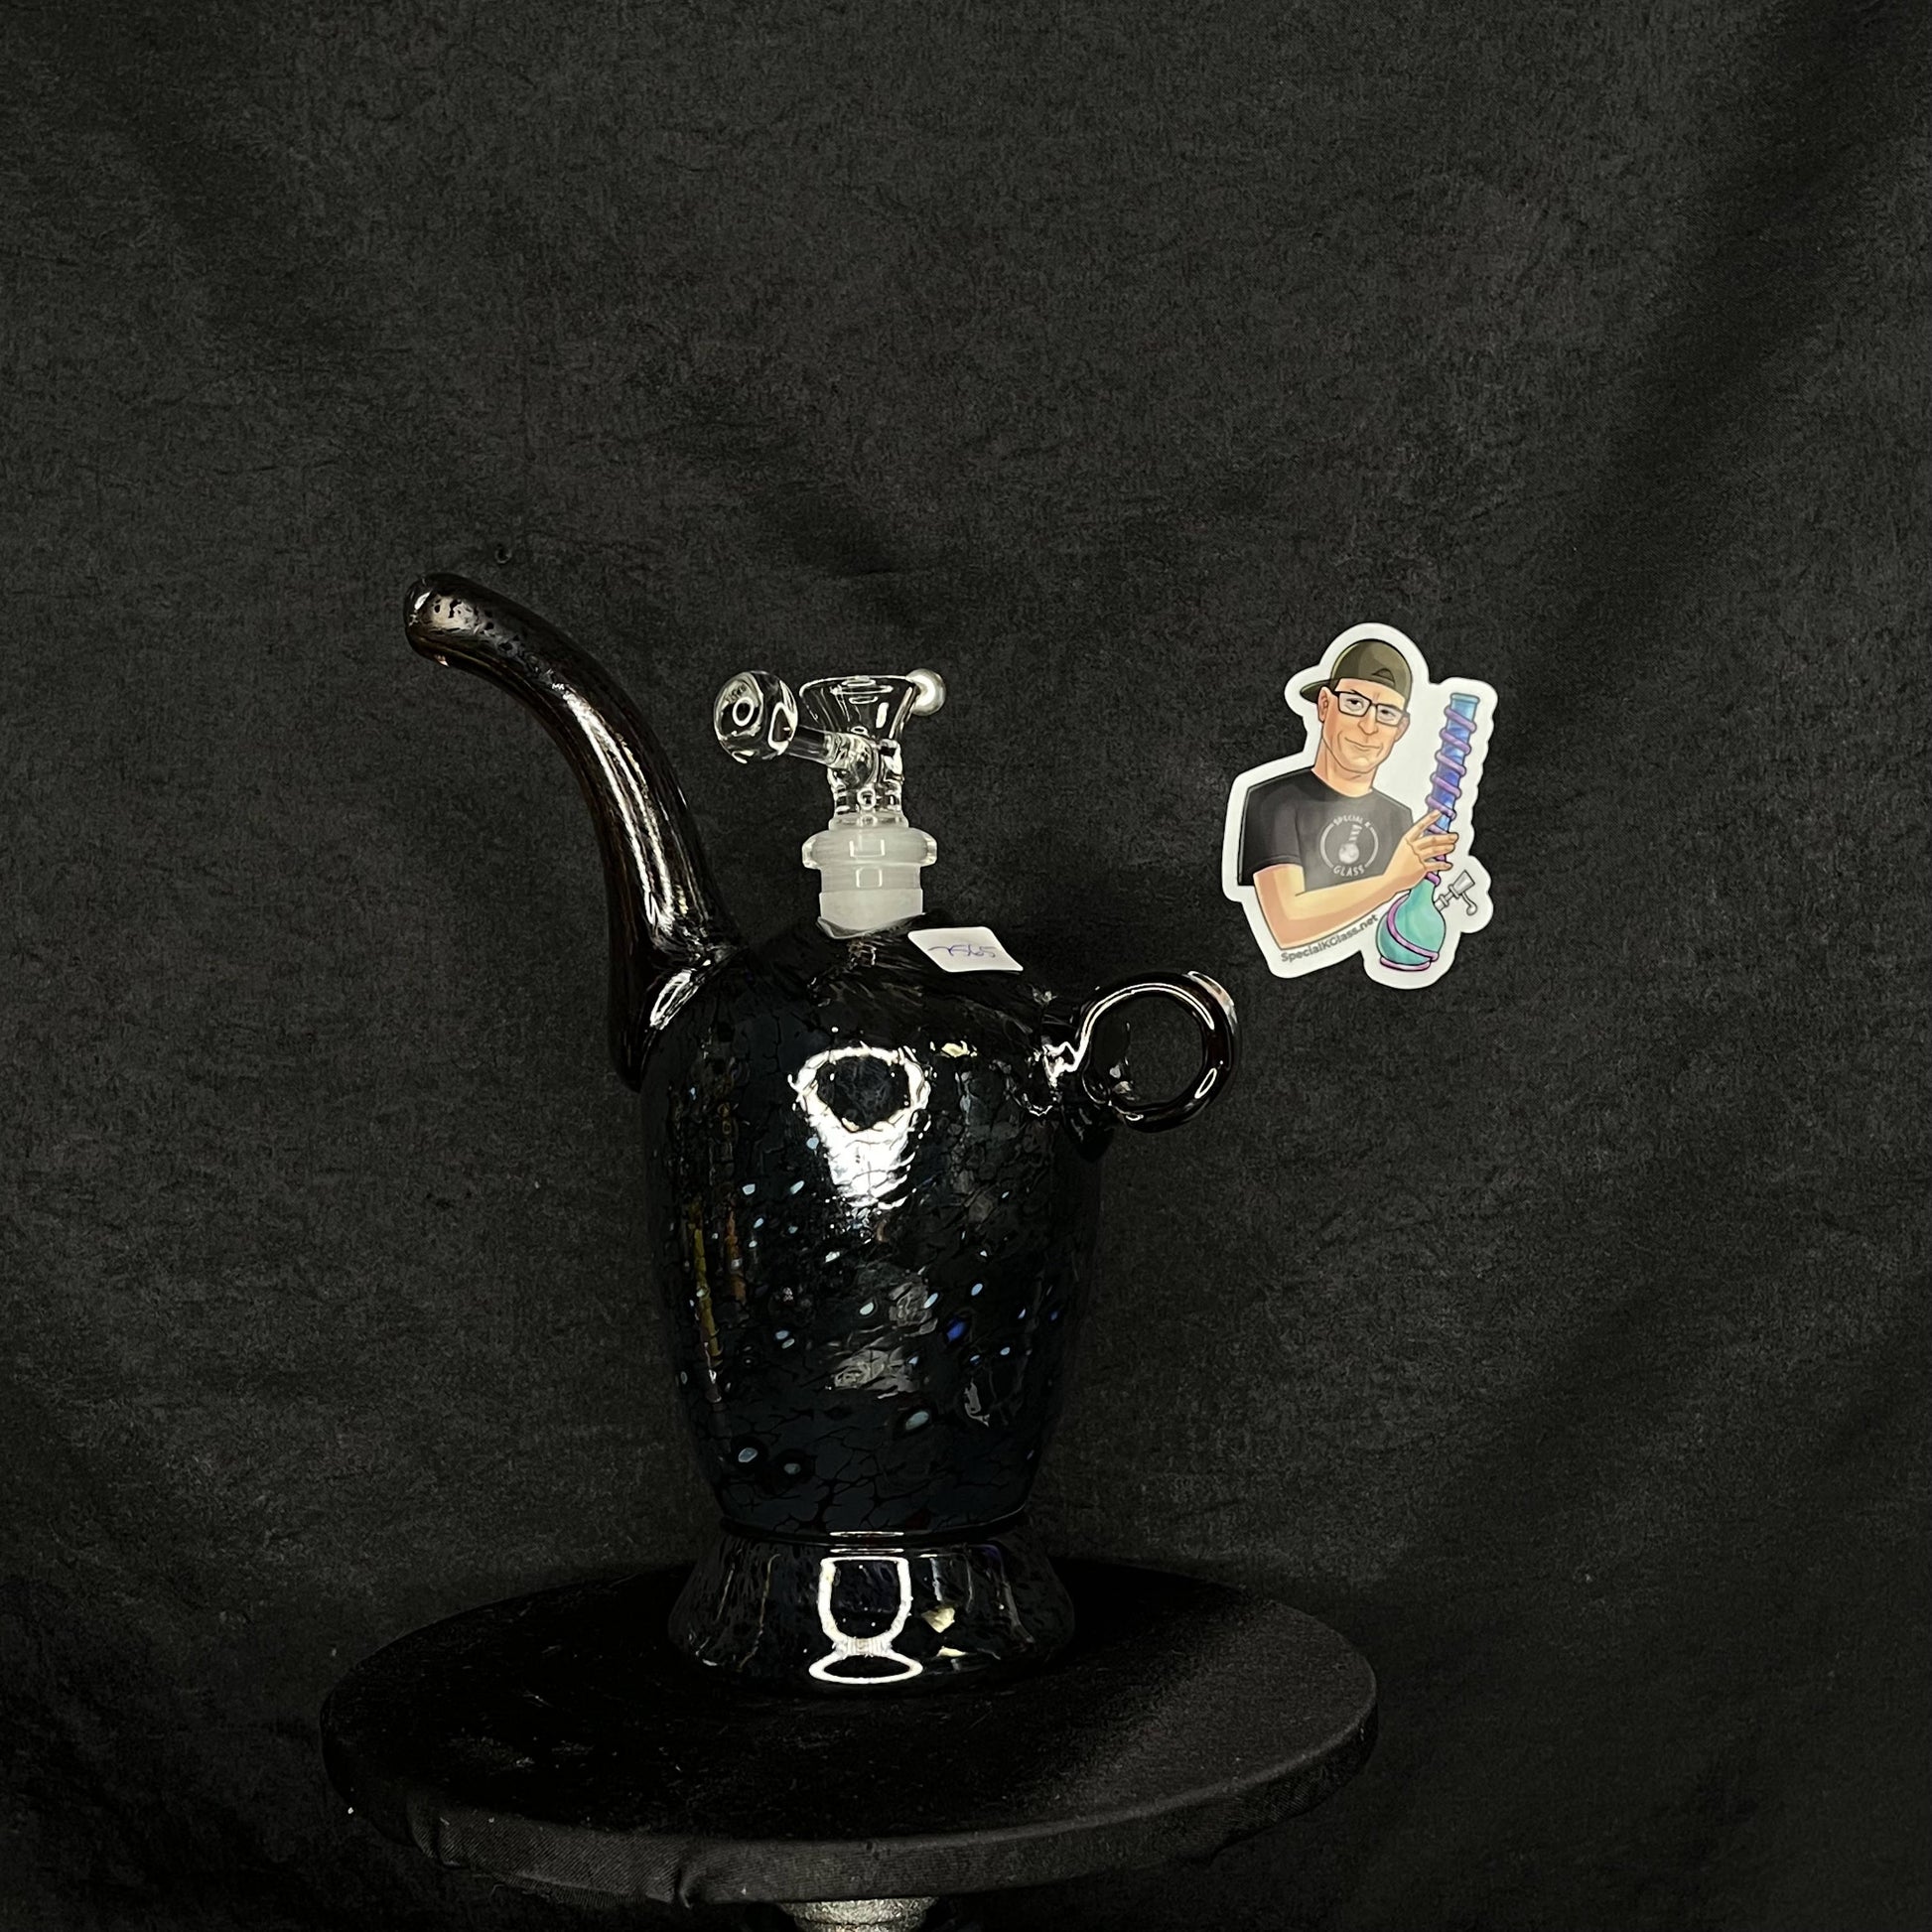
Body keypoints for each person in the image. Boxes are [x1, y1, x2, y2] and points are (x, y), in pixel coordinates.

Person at [1236, 636, 1457, 950]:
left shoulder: (1398, 817)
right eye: (1354, 703)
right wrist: (1392, 880)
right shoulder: (1274, 801)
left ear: (1401, 729)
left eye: (1386, 713)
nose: (1369, 726)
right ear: (1325, 705)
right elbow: (1288, 924)